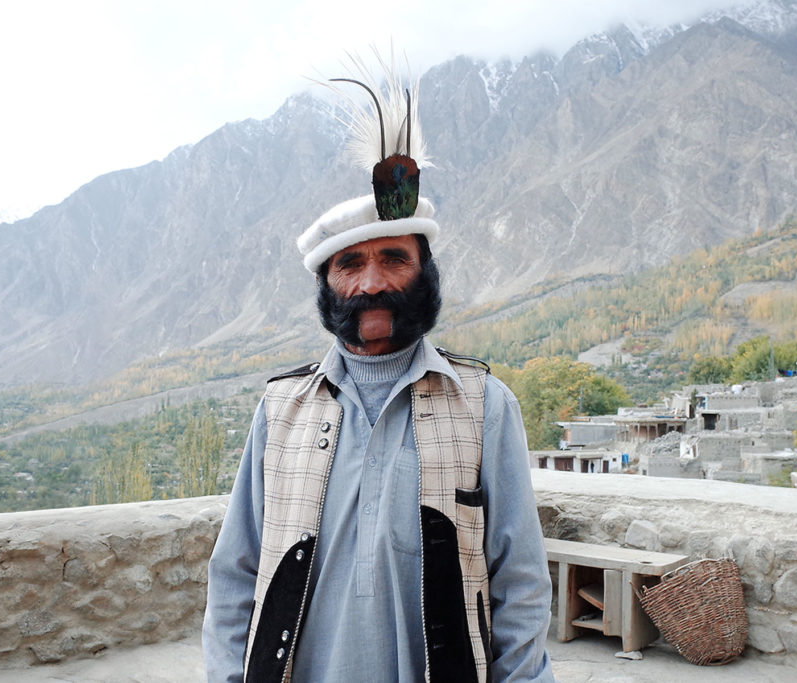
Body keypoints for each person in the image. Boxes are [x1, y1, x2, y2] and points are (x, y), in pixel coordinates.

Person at [202, 65, 552, 683]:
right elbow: (236, 572)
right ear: (327, 283)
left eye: (394, 258)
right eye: (350, 265)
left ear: (424, 271)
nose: (371, 282)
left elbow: (519, 581)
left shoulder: (483, 405)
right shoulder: (282, 409)